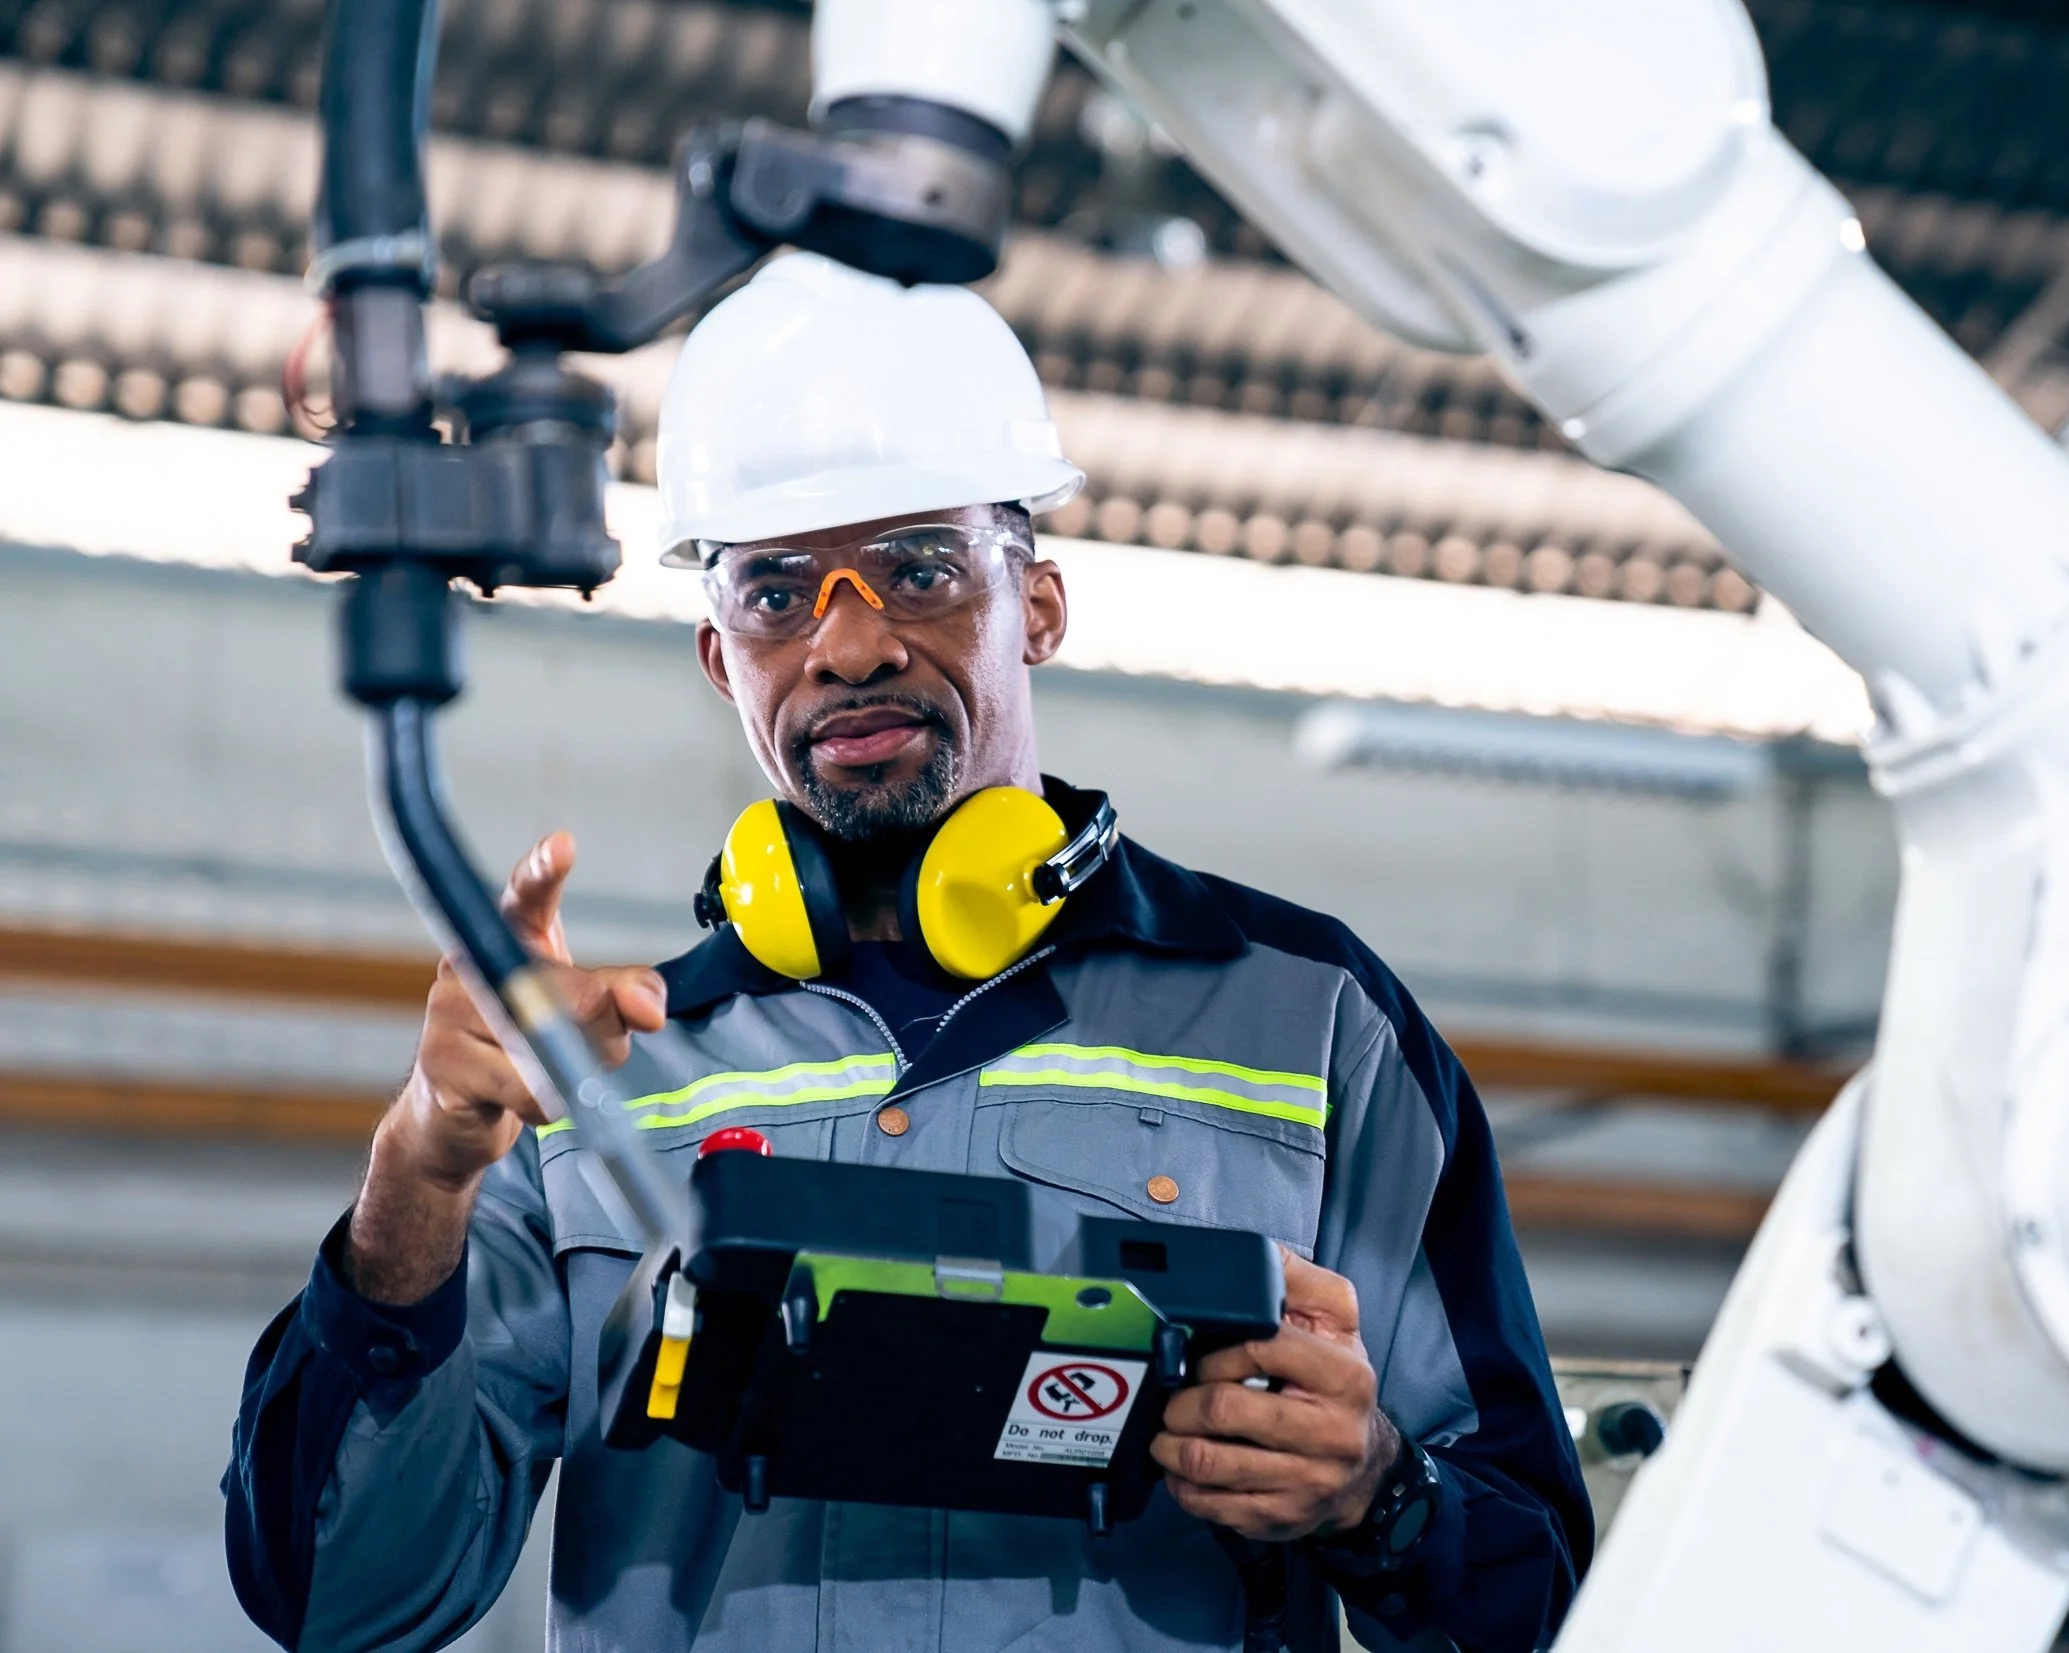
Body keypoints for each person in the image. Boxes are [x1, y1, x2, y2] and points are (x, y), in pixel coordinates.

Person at [224, 255, 1592, 1653]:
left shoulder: (1311, 1025)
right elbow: (338, 1599)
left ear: (1038, 607)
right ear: (720, 661)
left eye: (919, 570)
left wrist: (1375, 1493)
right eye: (774, 595)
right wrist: (420, 1173)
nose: (850, 643)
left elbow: (1534, 1585)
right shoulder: (592, 1080)